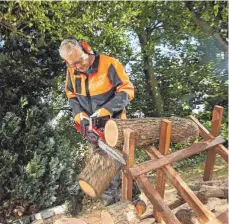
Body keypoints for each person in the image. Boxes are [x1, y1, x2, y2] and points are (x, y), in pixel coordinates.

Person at [59, 38, 135, 206]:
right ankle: (114, 209)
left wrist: (107, 109)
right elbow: (71, 96)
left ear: (87, 49)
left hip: (115, 125)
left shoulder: (109, 64)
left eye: (80, 61)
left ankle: (134, 202)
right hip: (94, 129)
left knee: (125, 168)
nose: (78, 67)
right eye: (73, 64)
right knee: (103, 172)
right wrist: (79, 115)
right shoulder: (71, 72)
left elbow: (127, 90)